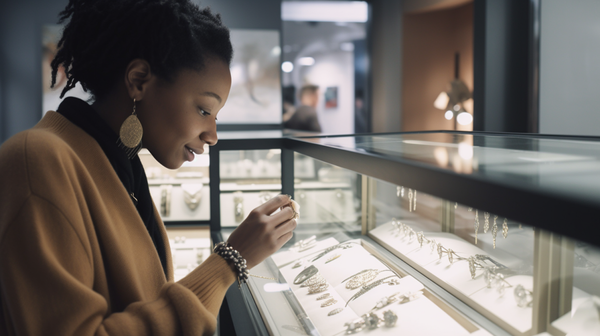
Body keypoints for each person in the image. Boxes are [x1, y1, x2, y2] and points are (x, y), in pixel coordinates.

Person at [0, 0, 297, 335]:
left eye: (216, 116)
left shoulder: (119, 164)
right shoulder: (35, 161)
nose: (213, 135)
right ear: (139, 80)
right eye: (203, 109)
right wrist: (228, 262)